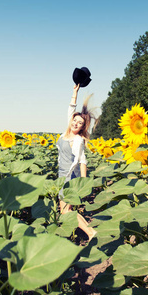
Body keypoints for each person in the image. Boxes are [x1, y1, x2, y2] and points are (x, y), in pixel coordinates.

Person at [56, 83, 97, 241]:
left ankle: (90, 232)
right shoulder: (66, 132)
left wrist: (83, 182)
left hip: (69, 176)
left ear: (82, 127)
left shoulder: (78, 139)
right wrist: (75, 92)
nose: (76, 124)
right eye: (75, 121)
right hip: (62, 175)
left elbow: (82, 160)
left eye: (80, 123)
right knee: (66, 210)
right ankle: (84, 233)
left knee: (66, 210)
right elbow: (71, 109)